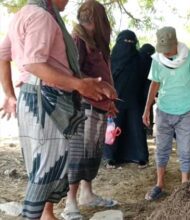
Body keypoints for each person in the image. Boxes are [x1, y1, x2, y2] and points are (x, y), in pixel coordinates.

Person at [0, 0, 117, 219]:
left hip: (34, 98)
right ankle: (32, 215)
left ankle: (45, 215)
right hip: (46, 100)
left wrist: (9, 94)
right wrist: (81, 85)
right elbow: (35, 65)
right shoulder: (42, 17)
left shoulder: (23, 14)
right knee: (46, 171)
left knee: (45, 167)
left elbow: (3, 55)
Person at [62, 1, 118, 219]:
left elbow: (104, 75)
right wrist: (98, 88)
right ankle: (70, 202)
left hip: (99, 105)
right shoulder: (77, 38)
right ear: (95, 20)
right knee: (78, 153)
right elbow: (73, 74)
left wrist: (109, 100)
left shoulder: (97, 42)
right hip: (82, 105)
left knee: (93, 152)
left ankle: (87, 194)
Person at [142, 26, 190, 201]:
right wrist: (147, 107)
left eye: (168, 50)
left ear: (175, 44)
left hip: (186, 110)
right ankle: (159, 184)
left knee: (185, 150)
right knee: (162, 149)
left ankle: (185, 185)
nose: (165, 53)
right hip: (164, 110)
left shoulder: (189, 56)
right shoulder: (157, 60)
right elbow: (154, 84)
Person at [103, 30, 149, 169]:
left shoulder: (140, 59)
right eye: (125, 42)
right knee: (113, 129)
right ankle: (110, 158)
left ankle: (140, 157)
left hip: (135, 101)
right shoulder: (111, 59)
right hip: (115, 101)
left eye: (131, 42)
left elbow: (147, 80)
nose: (128, 45)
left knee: (136, 129)